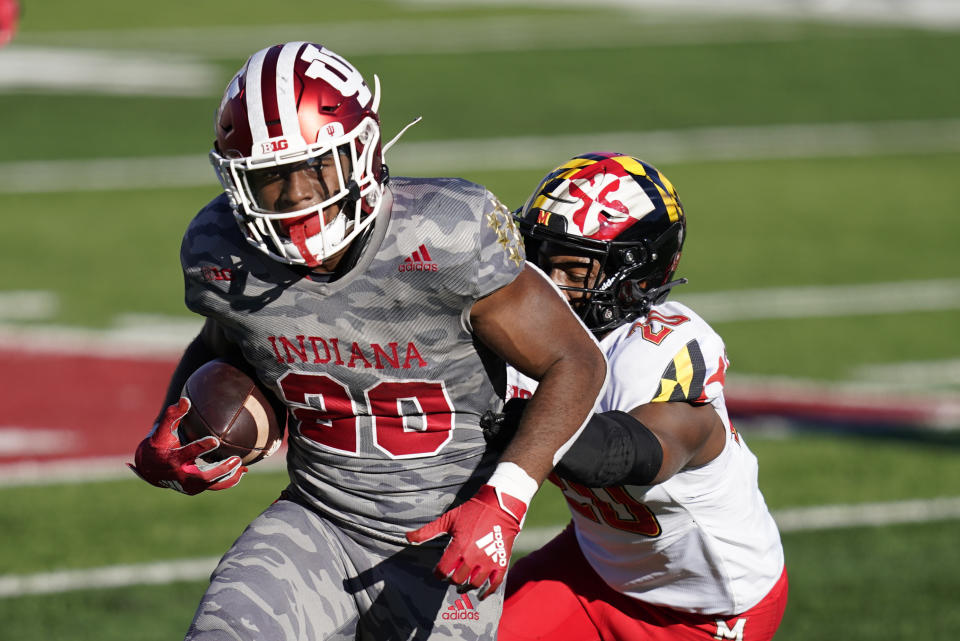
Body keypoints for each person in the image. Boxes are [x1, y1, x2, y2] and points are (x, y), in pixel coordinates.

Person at [127, 42, 606, 641]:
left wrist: (506, 499)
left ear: (362, 152)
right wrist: (175, 431)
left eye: (316, 166)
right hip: (317, 520)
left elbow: (576, 361)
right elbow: (221, 343)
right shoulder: (221, 250)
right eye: (271, 177)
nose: (298, 195)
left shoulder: (446, 233)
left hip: (448, 538)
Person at [489, 152, 787, 641]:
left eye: (568, 267)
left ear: (634, 274)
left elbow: (639, 451)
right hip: (593, 568)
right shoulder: (532, 329)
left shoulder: (664, 347)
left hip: (704, 612)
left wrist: (516, 421)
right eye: (538, 258)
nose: (545, 283)